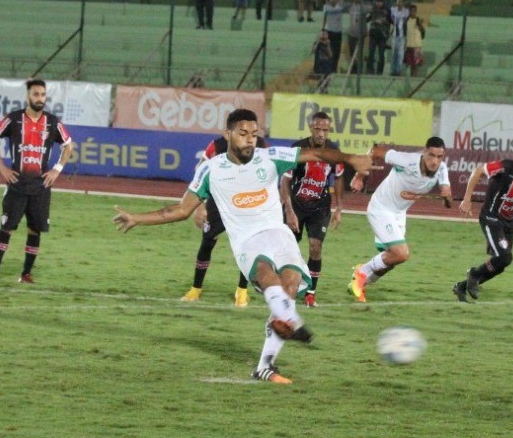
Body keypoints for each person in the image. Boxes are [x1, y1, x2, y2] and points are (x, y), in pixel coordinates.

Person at [114, 108, 371, 384]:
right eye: (242, 133)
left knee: (291, 285)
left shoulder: (269, 158)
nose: (249, 140)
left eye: (254, 134)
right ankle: (290, 320)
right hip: (247, 241)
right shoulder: (210, 170)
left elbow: (317, 154)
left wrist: (350, 158)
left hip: (279, 234)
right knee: (265, 272)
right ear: (228, 135)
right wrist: (136, 219)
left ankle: (265, 365)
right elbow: (180, 210)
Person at [0, 79, 74, 284]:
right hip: (17, 184)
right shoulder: (14, 119)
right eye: (36, 94)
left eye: (43, 95)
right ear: (28, 96)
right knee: (7, 227)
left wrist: (57, 170)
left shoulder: (52, 122)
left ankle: (26, 274)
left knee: (35, 229)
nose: (40, 98)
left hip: (40, 187)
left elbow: (69, 146)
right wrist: (2, 167)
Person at [348, 138, 453, 302]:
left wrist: (447, 197)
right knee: (401, 254)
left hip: (399, 214)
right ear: (424, 153)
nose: (435, 161)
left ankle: (361, 283)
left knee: (392, 260)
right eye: (431, 155)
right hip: (381, 208)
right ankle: (361, 272)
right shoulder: (406, 160)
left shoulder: (442, 170)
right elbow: (375, 151)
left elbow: (448, 204)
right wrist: (359, 177)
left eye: (440, 157)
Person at [453, 137, 513, 301]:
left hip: (510, 224)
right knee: (505, 257)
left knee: (501, 264)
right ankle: (474, 274)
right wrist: (467, 199)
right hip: (491, 217)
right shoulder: (506, 167)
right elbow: (478, 171)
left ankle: (462, 287)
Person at [179, 132, 270, 307]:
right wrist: (200, 206)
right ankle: (195, 289)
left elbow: (268, 171)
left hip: (246, 202)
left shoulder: (259, 145)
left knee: (247, 246)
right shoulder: (217, 145)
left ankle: (242, 291)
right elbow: (200, 169)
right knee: (207, 241)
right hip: (219, 201)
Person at [281, 112, 345, 308]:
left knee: (316, 248)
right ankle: (283, 286)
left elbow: (340, 177)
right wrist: (289, 210)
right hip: (297, 205)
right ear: (311, 128)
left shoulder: (334, 152)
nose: (321, 134)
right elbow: (285, 180)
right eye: (318, 129)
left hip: (320, 206)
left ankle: (310, 293)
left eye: (325, 130)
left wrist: (339, 207)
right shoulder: (298, 149)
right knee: (286, 248)